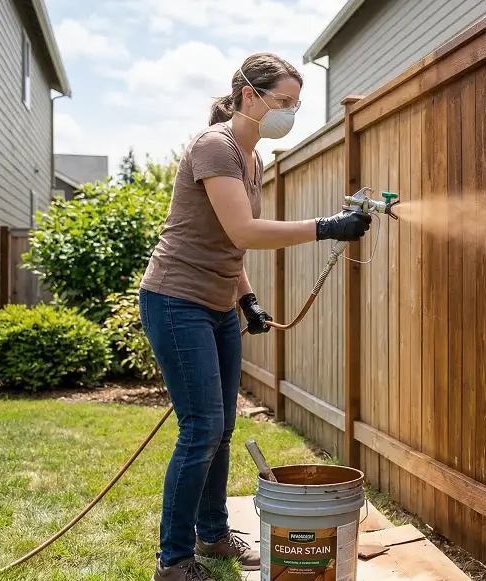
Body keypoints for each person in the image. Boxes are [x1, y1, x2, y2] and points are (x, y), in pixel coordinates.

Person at [139, 52, 372, 581]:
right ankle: (173, 563)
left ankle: (214, 536)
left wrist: (246, 299)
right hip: (177, 300)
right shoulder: (215, 146)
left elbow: (230, 245)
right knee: (200, 429)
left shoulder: (253, 159)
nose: (290, 113)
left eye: (295, 104)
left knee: (221, 430)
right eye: (284, 102)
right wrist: (326, 227)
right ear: (250, 96)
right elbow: (245, 231)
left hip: (219, 303)